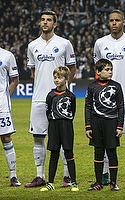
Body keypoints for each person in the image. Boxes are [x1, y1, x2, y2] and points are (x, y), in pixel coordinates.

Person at [93, 9, 125, 187]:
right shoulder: (100, 43)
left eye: (117, 20)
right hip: (105, 100)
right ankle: (106, 174)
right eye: (111, 21)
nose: (114, 23)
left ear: (124, 22)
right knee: (106, 137)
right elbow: (98, 68)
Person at [26, 10, 76, 187]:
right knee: (38, 137)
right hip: (39, 98)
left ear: (55, 24)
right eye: (42, 20)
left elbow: (72, 67)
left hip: (60, 99)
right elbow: (33, 71)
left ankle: (66, 176)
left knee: (63, 139)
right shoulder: (32, 45)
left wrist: (64, 89)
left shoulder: (64, 44)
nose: (45, 23)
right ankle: (40, 176)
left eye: (49, 20)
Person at [85, 59, 124, 191]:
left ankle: (113, 182)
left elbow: (121, 107)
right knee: (98, 152)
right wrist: (88, 126)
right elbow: (88, 107)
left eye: (111, 69)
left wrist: (120, 126)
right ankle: (98, 182)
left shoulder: (117, 86)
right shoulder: (92, 87)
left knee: (112, 152)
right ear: (98, 72)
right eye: (107, 70)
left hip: (111, 122)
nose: (110, 72)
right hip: (96, 123)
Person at [40, 66, 78, 192]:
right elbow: (48, 111)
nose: (56, 80)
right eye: (55, 77)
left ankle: (74, 182)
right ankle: (50, 183)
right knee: (54, 154)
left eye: (59, 77)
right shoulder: (50, 95)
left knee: (69, 153)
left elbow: (72, 112)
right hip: (54, 126)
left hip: (66, 126)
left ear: (66, 79)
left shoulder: (71, 96)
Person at [0, 47, 21, 186]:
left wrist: (6, 98)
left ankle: (13, 176)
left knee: (6, 138)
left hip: (1, 105)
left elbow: (15, 80)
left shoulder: (7, 55)